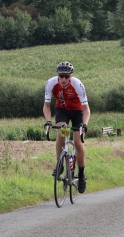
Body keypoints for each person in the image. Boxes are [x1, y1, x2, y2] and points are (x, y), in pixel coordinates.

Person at [43, 61, 90, 193]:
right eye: (61, 76)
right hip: (62, 111)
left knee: (77, 142)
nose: (63, 79)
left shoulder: (78, 85)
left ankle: (81, 174)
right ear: (57, 75)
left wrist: (84, 125)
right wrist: (48, 121)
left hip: (77, 112)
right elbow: (46, 106)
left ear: (71, 77)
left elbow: (87, 110)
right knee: (61, 134)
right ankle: (60, 165)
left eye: (66, 77)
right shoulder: (51, 83)